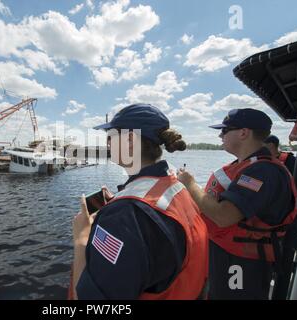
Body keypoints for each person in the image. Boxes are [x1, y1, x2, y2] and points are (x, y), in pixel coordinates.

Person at [69, 103, 209, 300]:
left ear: (130, 141)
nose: (107, 144)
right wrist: (118, 199)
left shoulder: (124, 214)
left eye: (110, 137)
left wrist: (81, 238)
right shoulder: (174, 185)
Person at [177, 108, 297, 300]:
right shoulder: (250, 166)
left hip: (242, 264)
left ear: (244, 132)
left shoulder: (262, 171)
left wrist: (190, 184)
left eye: (225, 130)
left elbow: (224, 216)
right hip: (228, 257)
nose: (220, 135)